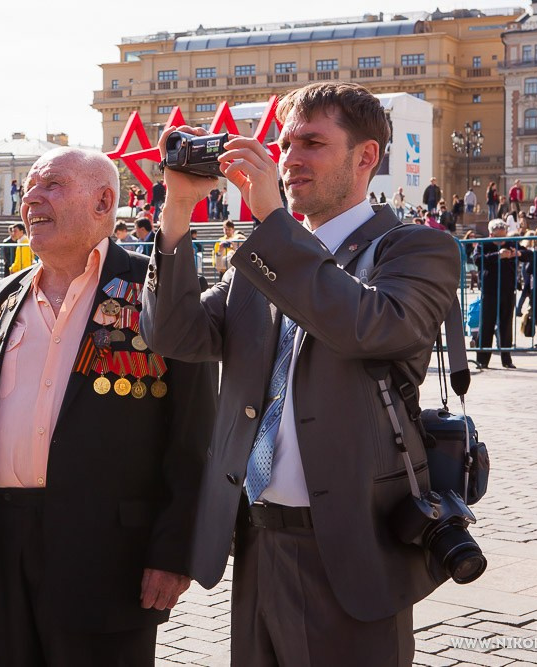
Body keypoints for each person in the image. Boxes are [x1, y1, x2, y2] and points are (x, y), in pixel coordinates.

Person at [141, 82, 461, 666]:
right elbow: (174, 334)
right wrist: (178, 213)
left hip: (352, 549)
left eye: (312, 143)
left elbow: (368, 325)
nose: (289, 159)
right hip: (257, 539)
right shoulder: (265, 260)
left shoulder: (414, 249)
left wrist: (271, 221)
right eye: (286, 143)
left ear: (366, 157)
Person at [0, 147, 214, 666]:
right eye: (29, 187)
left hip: (109, 552)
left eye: (52, 185)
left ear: (103, 202)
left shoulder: (158, 292)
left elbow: (193, 436)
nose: (32, 198)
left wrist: (174, 549)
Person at [473, 220, 528, 369]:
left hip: (508, 290)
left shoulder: (511, 243)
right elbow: (477, 260)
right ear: (491, 234)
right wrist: (498, 255)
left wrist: (518, 253)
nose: (501, 241)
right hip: (489, 290)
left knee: (506, 325)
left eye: (503, 237)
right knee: (486, 325)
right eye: (498, 237)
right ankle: (482, 360)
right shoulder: (484, 244)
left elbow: (528, 254)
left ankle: (506, 359)